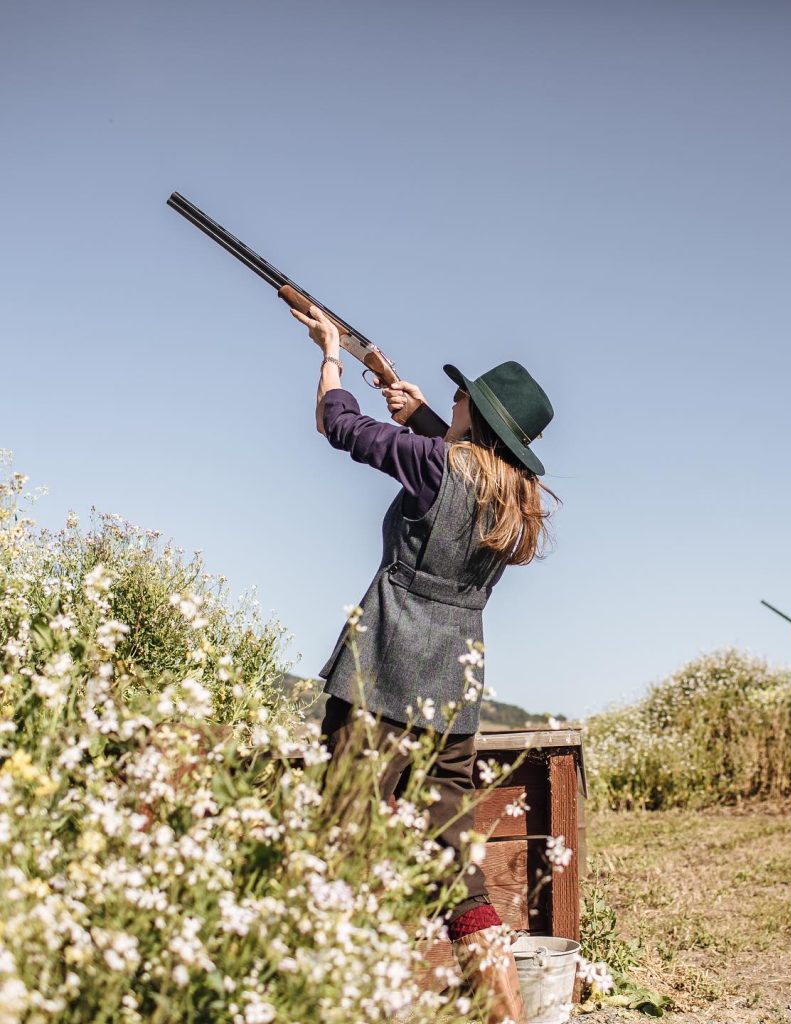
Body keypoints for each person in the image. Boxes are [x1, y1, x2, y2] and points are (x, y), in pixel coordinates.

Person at [291, 302, 556, 1024]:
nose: (456, 397)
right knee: (455, 870)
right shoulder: (519, 498)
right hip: (453, 690)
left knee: (336, 842)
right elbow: (466, 468)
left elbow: (336, 426)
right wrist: (421, 412)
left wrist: (330, 357)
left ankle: (318, 999)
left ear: (475, 412)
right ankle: (504, 1013)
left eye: (463, 394)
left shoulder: (438, 462)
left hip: (380, 673)